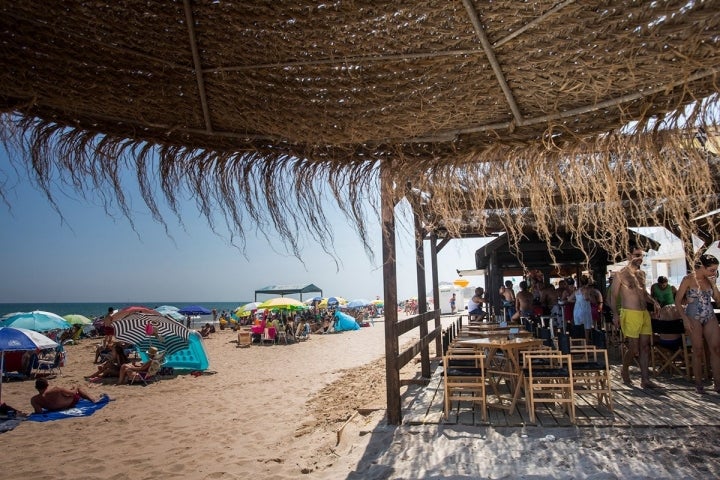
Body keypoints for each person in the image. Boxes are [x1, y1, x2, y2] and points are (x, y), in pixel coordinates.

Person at [610, 244, 660, 389]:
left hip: (644, 313)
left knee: (645, 347)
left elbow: (644, 294)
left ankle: (645, 379)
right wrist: (615, 314)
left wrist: (654, 301)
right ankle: (624, 369)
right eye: (637, 255)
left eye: (642, 256)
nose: (640, 259)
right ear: (629, 255)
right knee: (634, 348)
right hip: (630, 312)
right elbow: (613, 296)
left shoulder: (641, 274)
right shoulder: (620, 274)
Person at [675, 253, 720, 394]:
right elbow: (677, 300)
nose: (714, 272)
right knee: (698, 350)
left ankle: (717, 382)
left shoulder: (710, 279)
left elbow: (718, 299)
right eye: (711, 270)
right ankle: (699, 382)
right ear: (703, 267)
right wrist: (684, 318)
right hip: (693, 315)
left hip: (709, 314)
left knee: (716, 349)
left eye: (716, 270)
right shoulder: (688, 279)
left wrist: (713, 283)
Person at [31, 378, 99, 413]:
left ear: (36, 388)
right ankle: (93, 400)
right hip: (69, 403)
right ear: (47, 385)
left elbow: (39, 411)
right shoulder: (56, 389)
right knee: (77, 388)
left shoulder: (34, 400)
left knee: (67, 392)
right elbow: (73, 393)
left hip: (53, 408)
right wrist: (76, 387)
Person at [569, 275, 601, 343]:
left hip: (577, 309)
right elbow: (588, 299)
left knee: (579, 327)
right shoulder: (587, 290)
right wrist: (593, 300)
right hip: (585, 309)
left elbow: (569, 299)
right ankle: (586, 343)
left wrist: (577, 301)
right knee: (586, 327)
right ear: (587, 282)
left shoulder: (577, 290)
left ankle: (580, 343)